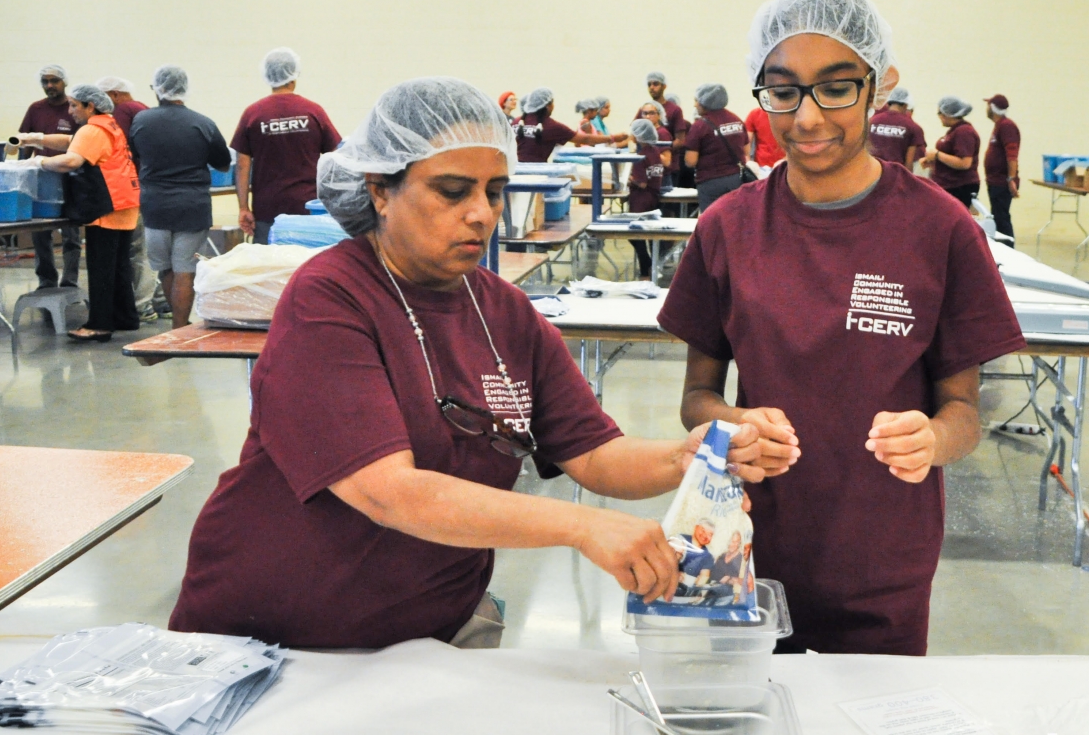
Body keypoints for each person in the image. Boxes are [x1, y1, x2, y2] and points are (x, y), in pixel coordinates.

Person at [168, 77, 771, 650]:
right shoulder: (330, 297)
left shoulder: (502, 310)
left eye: (494, 191)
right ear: (380, 189)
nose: (482, 213)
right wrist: (582, 527)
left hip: (424, 633)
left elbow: (591, 452)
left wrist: (688, 456)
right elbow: (389, 493)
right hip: (280, 635)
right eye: (453, 192)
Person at [658, 0, 1025, 655]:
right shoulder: (727, 229)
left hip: (883, 562)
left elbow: (964, 413)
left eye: (835, 87)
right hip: (744, 550)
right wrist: (731, 423)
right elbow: (696, 398)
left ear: (877, 85)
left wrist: (932, 441)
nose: (807, 116)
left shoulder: (940, 231)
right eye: (784, 90)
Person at [29, 85, 141, 341]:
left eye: (74, 105)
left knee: (101, 267)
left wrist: (39, 162)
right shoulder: (108, 124)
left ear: (90, 106)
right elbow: (72, 141)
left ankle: (99, 325)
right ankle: (125, 317)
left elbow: (70, 160)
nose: (69, 111)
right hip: (125, 201)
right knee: (119, 266)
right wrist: (37, 139)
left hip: (107, 205)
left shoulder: (93, 129)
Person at [129, 66, 231, 330]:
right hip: (192, 206)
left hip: (155, 206)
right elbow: (222, 163)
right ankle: (180, 327)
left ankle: (177, 327)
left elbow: (134, 153)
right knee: (186, 270)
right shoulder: (203, 123)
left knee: (165, 268)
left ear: (157, 89)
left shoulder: (141, 121)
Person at [232, 47, 342, 244]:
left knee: (269, 270)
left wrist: (243, 207)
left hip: (267, 210)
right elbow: (335, 158)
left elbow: (242, 165)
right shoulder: (313, 111)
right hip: (308, 209)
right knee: (306, 268)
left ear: (267, 76)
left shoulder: (253, 114)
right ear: (293, 76)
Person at [98, 76, 158, 322]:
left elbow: (117, 151)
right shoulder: (144, 110)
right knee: (152, 248)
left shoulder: (122, 112)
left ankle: (142, 305)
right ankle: (160, 301)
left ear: (113, 95)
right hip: (154, 186)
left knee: (137, 249)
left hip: (134, 188)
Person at [17, 65, 81, 290]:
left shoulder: (74, 107)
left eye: (54, 81)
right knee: (40, 232)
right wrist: (21, 172)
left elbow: (82, 142)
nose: (49, 86)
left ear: (64, 82)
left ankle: (70, 281)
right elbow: (23, 141)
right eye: (45, 81)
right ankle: (46, 280)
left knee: (71, 234)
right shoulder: (36, 109)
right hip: (41, 178)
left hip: (71, 177)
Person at [684, 84, 748, 212]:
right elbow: (745, 151)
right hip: (736, 180)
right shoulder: (736, 120)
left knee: (711, 225)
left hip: (710, 183)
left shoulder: (700, 126)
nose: (695, 105)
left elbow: (691, 161)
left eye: (696, 101)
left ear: (705, 102)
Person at [513, 88, 620, 163]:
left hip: (513, 172)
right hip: (537, 175)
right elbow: (585, 139)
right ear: (547, 106)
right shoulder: (552, 126)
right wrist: (612, 138)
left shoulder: (516, 122)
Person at [626, 118, 669, 279]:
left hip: (641, 199)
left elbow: (642, 183)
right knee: (644, 234)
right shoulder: (655, 152)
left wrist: (627, 179)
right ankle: (649, 266)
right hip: (653, 197)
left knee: (633, 234)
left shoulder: (640, 157)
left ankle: (646, 266)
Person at [922, 96, 981, 210]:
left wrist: (937, 155)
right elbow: (952, 157)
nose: (939, 116)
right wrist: (935, 162)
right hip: (948, 184)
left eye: (940, 112)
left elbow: (964, 163)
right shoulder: (955, 131)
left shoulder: (964, 132)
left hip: (958, 186)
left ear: (948, 114)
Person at [983, 94, 1020, 241]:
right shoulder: (1000, 126)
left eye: (988, 106)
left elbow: (1012, 154)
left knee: (1001, 218)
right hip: (995, 180)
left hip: (1001, 181)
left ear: (992, 108)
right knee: (998, 217)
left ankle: (1008, 248)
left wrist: (1011, 178)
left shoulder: (1006, 126)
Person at [641, 73, 688, 187]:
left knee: (668, 203)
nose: (652, 87)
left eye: (656, 84)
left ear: (664, 86)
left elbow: (680, 140)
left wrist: (663, 151)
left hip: (668, 169)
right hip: (648, 169)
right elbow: (634, 135)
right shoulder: (644, 108)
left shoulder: (674, 110)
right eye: (649, 84)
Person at [868, 85, 926, 170]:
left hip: (872, 171)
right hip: (895, 175)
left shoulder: (872, 121)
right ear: (905, 105)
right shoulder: (913, 127)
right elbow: (909, 162)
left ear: (888, 103)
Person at [744, 103, 784, 172]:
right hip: (762, 166)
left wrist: (786, 160)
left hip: (785, 165)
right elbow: (745, 142)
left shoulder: (789, 115)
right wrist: (749, 164)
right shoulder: (755, 114)